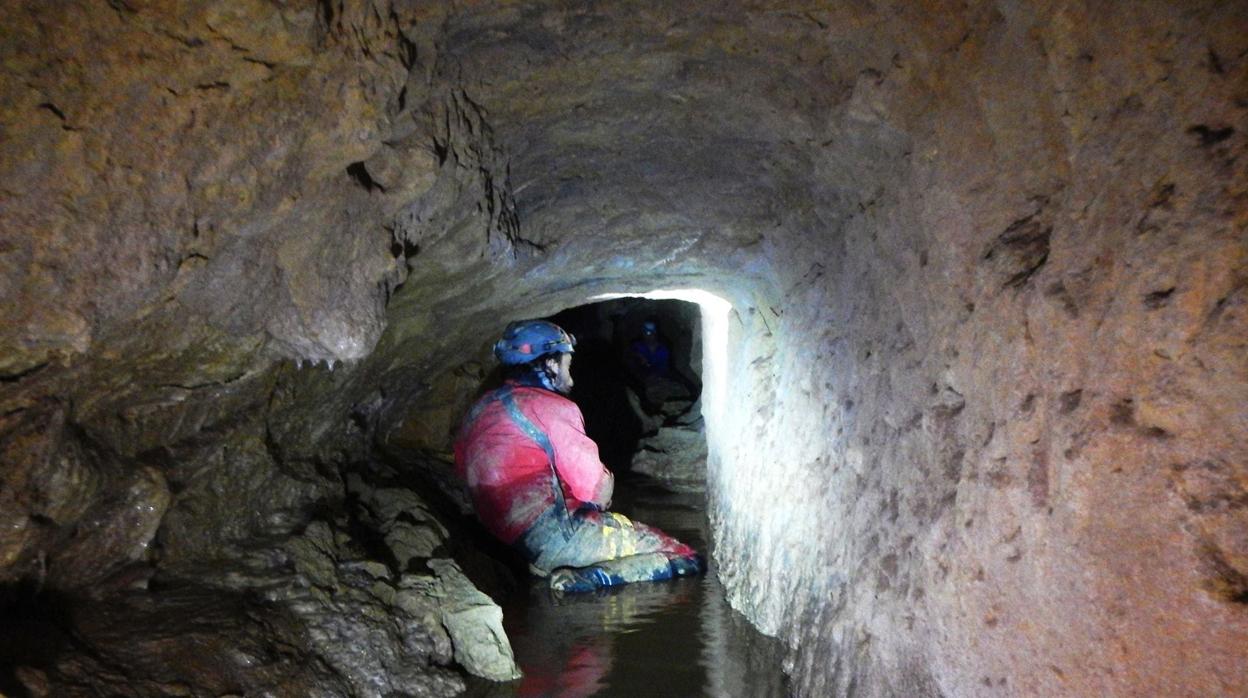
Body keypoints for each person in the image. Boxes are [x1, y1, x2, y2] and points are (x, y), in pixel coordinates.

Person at [454, 319, 704, 593]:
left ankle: (548, 566)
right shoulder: (552, 407)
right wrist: (601, 502)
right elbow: (593, 488)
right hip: (550, 535)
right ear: (550, 364)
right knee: (686, 558)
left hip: (497, 535)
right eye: (566, 364)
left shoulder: (480, 408)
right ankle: (585, 579)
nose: (569, 375)